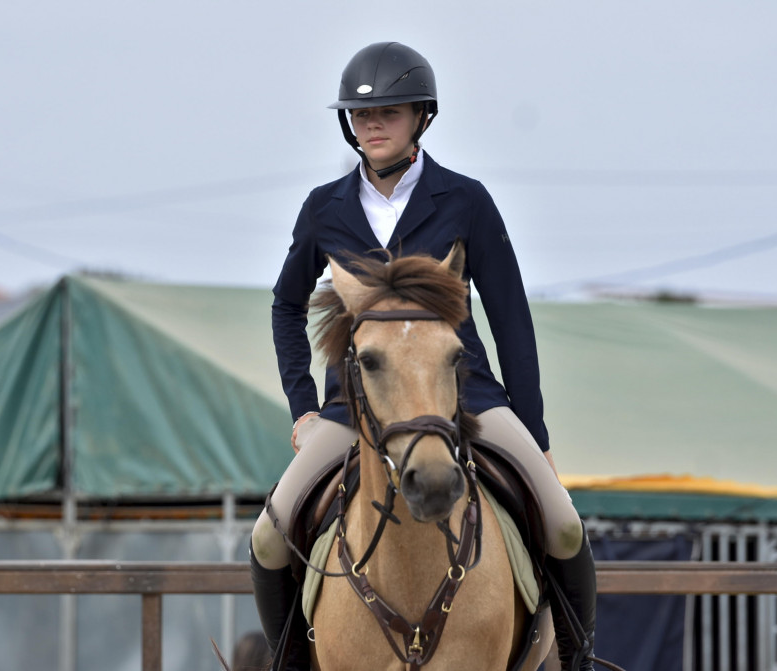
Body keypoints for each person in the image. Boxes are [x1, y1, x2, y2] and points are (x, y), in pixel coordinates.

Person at [249, 41, 598, 671]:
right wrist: (303, 408)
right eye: (361, 115)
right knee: (269, 536)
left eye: (389, 112)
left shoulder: (465, 200)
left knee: (565, 525)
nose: (372, 125)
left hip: (466, 397)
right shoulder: (324, 209)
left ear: (422, 118)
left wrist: (536, 432)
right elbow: (284, 306)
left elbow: (512, 322)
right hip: (354, 409)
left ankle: (576, 660)